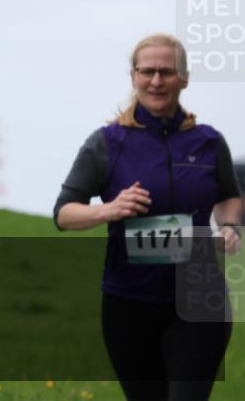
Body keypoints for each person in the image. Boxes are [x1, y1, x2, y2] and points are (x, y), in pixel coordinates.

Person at [54, 33, 241, 401]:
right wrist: (110, 209)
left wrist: (231, 226)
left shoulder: (209, 142)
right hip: (129, 303)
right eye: (148, 71)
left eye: (167, 72)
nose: (157, 81)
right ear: (134, 76)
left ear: (184, 78)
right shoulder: (106, 143)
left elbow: (229, 196)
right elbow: (63, 213)